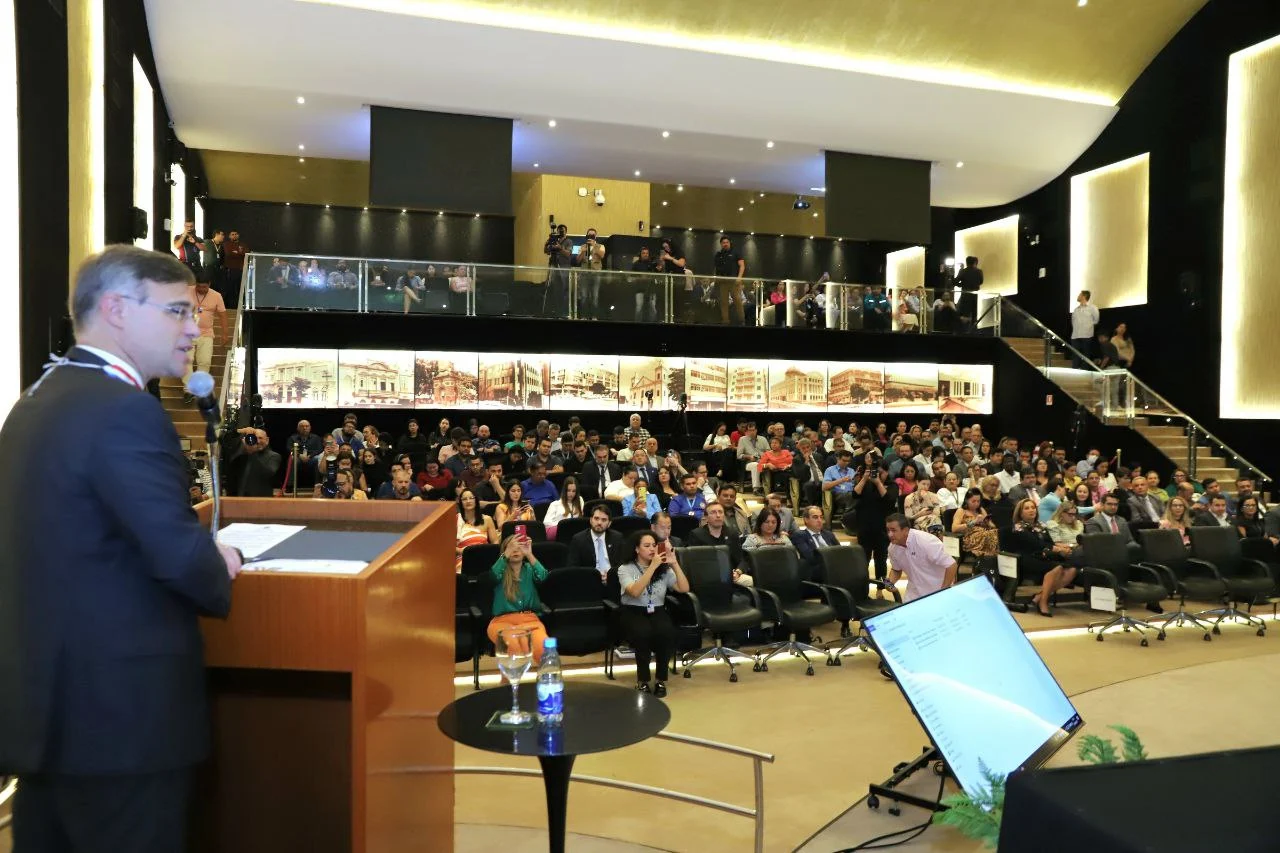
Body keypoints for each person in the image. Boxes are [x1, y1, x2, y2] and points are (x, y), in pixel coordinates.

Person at [0, 245, 242, 851]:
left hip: (46, 719)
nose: (194, 328)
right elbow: (181, 559)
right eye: (177, 311)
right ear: (115, 308)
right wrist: (221, 563)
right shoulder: (125, 412)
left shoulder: (33, 402)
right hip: (121, 726)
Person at [618, 531, 689, 696]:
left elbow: (684, 588)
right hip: (633, 610)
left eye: (654, 545)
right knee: (642, 633)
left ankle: (660, 680)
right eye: (647, 546)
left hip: (657, 609)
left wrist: (674, 564)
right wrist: (652, 567)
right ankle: (642, 680)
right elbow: (635, 592)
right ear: (637, 549)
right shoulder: (625, 569)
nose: (652, 549)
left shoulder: (663, 569)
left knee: (666, 633)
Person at [1005, 499, 1078, 616]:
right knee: (1057, 568)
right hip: (1025, 557)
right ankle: (1043, 602)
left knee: (1072, 570)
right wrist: (1058, 549)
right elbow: (1035, 544)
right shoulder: (1018, 527)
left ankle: (1039, 596)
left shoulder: (1041, 525)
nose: (1031, 510)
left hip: (1043, 556)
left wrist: (1063, 547)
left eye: (1033, 507)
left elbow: (1049, 542)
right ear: (1020, 512)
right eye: (1027, 508)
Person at [486, 535, 550, 664]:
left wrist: (529, 554)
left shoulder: (530, 569)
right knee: (514, 646)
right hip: (501, 622)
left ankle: (548, 682)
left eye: (519, 547)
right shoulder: (500, 570)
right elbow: (491, 577)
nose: (515, 551)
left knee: (544, 649)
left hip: (530, 620)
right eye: (512, 548)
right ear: (505, 551)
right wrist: (505, 554)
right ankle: (510, 682)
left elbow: (544, 577)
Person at [885, 514, 957, 602]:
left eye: (893, 530)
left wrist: (943, 590)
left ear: (905, 530)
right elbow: (896, 570)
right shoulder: (892, 548)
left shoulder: (926, 542)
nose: (890, 534)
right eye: (888, 530)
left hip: (937, 590)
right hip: (913, 593)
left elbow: (951, 565)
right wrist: (889, 583)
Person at [851, 461, 898, 579]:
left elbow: (889, 500)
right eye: (876, 472)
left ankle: (880, 588)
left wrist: (878, 483)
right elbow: (855, 494)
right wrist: (863, 479)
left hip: (882, 529)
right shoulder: (866, 484)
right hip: (864, 527)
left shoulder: (892, 485)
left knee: (881, 560)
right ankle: (862, 586)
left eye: (881, 473)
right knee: (863, 559)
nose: (878, 475)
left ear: (887, 472)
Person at [568, 505, 626, 578]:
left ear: (609, 523)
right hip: (589, 580)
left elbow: (624, 564)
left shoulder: (617, 538)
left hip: (613, 579)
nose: (599, 522)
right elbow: (573, 568)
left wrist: (612, 576)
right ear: (591, 520)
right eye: (596, 518)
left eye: (604, 520)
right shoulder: (578, 539)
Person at [952, 488, 999, 565]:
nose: (976, 504)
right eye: (973, 501)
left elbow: (992, 526)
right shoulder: (961, 511)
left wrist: (987, 522)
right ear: (967, 500)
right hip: (969, 537)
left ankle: (993, 559)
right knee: (988, 534)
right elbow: (954, 528)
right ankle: (989, 558)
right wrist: (973, 522)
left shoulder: (980, 510)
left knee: (996, 532)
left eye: (978, 501)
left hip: (983, 533)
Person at [456, 489, 498, 571]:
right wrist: (464, 552)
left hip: (483, 557)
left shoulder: (487, 519)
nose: (468, 501)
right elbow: (449, 546)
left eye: (471, 498)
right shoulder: (456, 520)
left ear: (476, 500)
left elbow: (495, 543)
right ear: (460, 503)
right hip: (463, 558)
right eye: (464, 499)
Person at [712, 235, 746, 325]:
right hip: (723, 282)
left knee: (737, 300)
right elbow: (716, 268)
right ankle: (725, 321)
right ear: (721, 244)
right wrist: (716, 279)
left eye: (727, 242)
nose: (725, 244)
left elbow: (742, 265)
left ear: (730, 243)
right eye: (723, 243)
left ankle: (742, 320)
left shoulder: (736, 252)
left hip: (734, 281)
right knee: (723, 302)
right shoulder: (718, 254)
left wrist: (739, 277)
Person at [1070, 290, 1099, 367]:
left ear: (1084, 296)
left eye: (1079, 294)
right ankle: (1075, 372)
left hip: (1087, 335)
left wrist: (1087, 327)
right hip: (1075, 336)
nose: (1078, 296)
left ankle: (1084, 372)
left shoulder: (1092, 308)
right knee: (1075, 356)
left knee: (1086, 356)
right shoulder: (1076, 310)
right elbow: (1073, 321)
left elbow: (1096, 320)